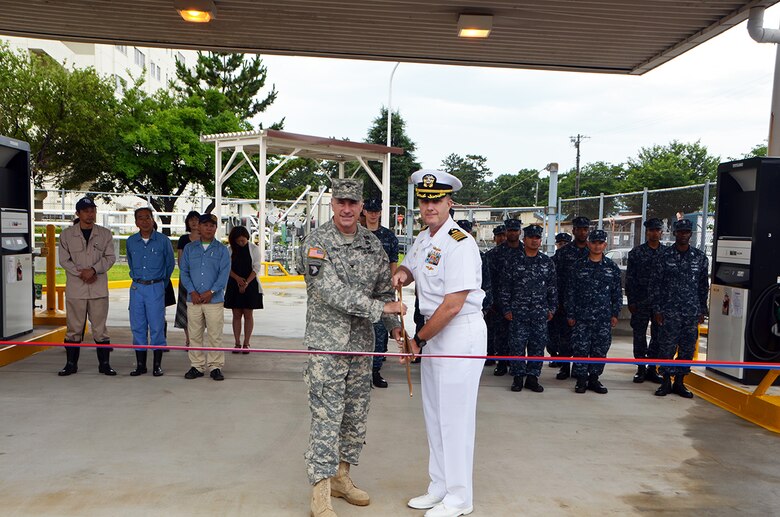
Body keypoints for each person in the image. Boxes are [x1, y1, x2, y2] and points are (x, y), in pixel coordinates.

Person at [297, 178, 403, 517]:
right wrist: (380, 311)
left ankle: (342, 477)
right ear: (332, 203)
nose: (347, 208)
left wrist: (396, 327)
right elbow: (331, 292)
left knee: (355, 415)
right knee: (326, 417)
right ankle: (320, 490)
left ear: (361, 208)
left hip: (361, 347)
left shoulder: (373, 246)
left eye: (353, 203)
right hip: (326, 346)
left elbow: (386, 293)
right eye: (341, 202)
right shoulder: (316, 243)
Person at [393, 169, 486, 517]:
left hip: (458, 332)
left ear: (450, 202)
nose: (429, 206)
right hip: (435, 334)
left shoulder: (460, 242)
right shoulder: (423, 238)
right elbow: (411, 268)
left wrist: (417, 340)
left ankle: (460, 498)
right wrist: (403, 273)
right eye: (424, 199)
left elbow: (453, 303)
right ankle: (440, 487)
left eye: (436, 200)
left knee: (456, 418)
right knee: (435, 414)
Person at [57, 197, 117, 376]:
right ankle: (70, 364)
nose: (90, 214)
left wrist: (93, 270)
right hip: (77, 288)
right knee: (74, 328)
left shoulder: (105, 234)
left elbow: (110, 257)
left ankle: (104, 364)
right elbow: (64, 260)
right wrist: (81, 273)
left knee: (100, 329)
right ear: (78, 213)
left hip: (97, 287)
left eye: (93, 210)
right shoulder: (67, 235)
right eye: (86, 211)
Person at [650, 218, 709, 399]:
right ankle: (666, 381)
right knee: (667, 346)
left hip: (690, 312)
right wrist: (657, 310)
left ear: (690, 234)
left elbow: (702, 286)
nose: (683, 234)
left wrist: (701, 310)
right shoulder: (664, 256)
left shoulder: (699, 257)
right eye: (680, 231)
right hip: (669, 311)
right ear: (674, 233)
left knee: (687, 348)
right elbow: (656, 285)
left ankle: (681, 382)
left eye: (686, 232)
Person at [500, 224, 557, 393]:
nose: (534, 240)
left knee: (537, 346)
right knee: (517, 345)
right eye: (531, 237)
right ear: (524, 240)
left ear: (541, 241)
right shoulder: (513, 262)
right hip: (518, 312)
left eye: (537, 238)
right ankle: (518, 378)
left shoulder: (547, 262)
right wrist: (506, 309)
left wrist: (552, 309)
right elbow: (505, 288)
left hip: (540, 313)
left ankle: (533, 377)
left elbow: (552, 288)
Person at [565, 229, 622, 394]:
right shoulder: (578, 266)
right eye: (594, 242)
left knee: (600, 348)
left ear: (605, 245)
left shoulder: (611, 268)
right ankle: (581, 380)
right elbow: (571, 292)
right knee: (581, 348)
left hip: (603, 317)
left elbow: (616, 293)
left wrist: (615, 313)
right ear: (589, 244)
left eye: (600, 243)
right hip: (581, 317)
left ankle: (594, 379)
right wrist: (570, 313)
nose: (597, 246)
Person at [179, 213, 231, 381]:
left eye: (212, 225)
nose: (209, 228)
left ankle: (215, 366)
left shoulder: (222, 250)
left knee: (215, 334)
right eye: (205, 225)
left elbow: (224, 274)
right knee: (195, 334)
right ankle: (197, 366)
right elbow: (184, 272)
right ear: (198, 227)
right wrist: (192, 291)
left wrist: (211, 292)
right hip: (193, 299)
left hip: (214, 300)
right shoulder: (189, 248)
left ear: (216, 228)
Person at [126, 207, 175, 376]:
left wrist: (161, 283)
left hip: (156, 286)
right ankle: (140, 365)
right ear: (136, 222)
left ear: (153, 220)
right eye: (140, 218)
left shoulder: (163, 240)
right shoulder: (131, 241)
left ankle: (157, 365)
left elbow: (169, 264)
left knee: (156, 325)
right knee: (137, 325)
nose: (144, 221)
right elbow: (131, 263)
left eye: (147, 217)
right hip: (137, 287)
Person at [363, 197, 399, 388]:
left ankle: (375, 371)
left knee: (378, 332)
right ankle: (360, 373)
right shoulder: (357, 234)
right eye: (370, 211)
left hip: (381, 291)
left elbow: (393, 261)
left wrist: (392, 284)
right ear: (364, 212)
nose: (373, 214)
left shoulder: (388, 236)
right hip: (360, 292)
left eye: (376, 211)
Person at [626, 218, 666, 384]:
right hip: (641, 301)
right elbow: (630, 279)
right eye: (651, 230)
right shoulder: (636, 253)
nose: (654, 233)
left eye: (657, 230)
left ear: (661, 232)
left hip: (660, 303)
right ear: (646, 232)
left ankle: (652, 368)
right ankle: (641, 368)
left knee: (658, 335)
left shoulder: (667, 253)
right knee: (639, 335)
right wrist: (631, 300)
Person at [551, 216, 591, 380]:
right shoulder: (563, 253)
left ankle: (579, 369)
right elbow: (555, 280)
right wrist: (557, 302)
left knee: (584, 340)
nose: (582, 232)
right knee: (565, 338)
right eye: (579, 229)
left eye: (585, 229)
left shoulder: (592, 251)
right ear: (573, 231)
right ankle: (565, 367)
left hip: (587, 304)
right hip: (566, 303)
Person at [490, 218, 524, 376]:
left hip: (521, 302)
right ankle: (502, 363)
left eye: (514, 230)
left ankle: (515, 364)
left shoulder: (526, 251)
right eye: (509, 231)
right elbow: (489, 278)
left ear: (519, 232)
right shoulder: (495, 253)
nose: (511, 233)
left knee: (519, 336)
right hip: (500, 301)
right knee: (501, 334)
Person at [225, 225, 263, 354]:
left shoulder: (254, 249)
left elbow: (256, 268)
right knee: (236, 315)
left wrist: (246, 282)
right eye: (239, 241)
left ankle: (246, 343)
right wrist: (237, 279)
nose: (241, 243)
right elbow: (226, 268)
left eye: (244, 240)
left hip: (250, 284)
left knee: (248, 315)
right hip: (233, 284)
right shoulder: (229, 250)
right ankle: (237, 342)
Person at [174, 210, 200, 345]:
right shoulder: (184, 239)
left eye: (196, 219)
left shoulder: (205, 238)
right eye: (191, 220)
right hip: (186, 278)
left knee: (200, 309)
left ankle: (198, 338)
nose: (194, 222)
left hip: (202, 279)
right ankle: (189, 339)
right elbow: (180, 260)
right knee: (185, 308)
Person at [483, 224, 506, 366]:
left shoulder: (520, 253)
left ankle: (506, 360)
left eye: (504, 235)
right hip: (493, 301)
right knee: (490, 330)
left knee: (507, 333)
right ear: (494, 238)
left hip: (511, 301)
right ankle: (490, 355)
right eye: (499, 236)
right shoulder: (489, 256)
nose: (502, 238)